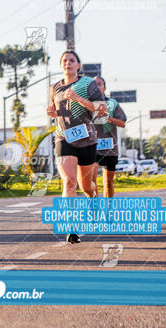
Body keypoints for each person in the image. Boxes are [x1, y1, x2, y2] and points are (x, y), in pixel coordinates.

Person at [47, 50, 106, 244]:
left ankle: (93, 198)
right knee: (69, 181)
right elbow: (53, 111)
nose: (68, 63)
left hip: (87, 139)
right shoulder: (54, 88)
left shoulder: (87, 84)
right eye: (64, 60)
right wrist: (51, 111)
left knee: (85, 186)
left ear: (78, 65)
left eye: (72, 60)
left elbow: (101, 109)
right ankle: (72, 228)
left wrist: (78, 98)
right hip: (64, 138)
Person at [91, 76, 127, 198]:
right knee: (91, 180)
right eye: (94, 84)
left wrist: (109, 118)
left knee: (108, 182)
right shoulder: (86, 104)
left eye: (99, 84)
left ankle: (108, 211)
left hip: (110, 147)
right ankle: (94, 208)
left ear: (104, 87)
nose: (96, 86)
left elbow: (122, 123)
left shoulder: (112, 103)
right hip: (92, 146)